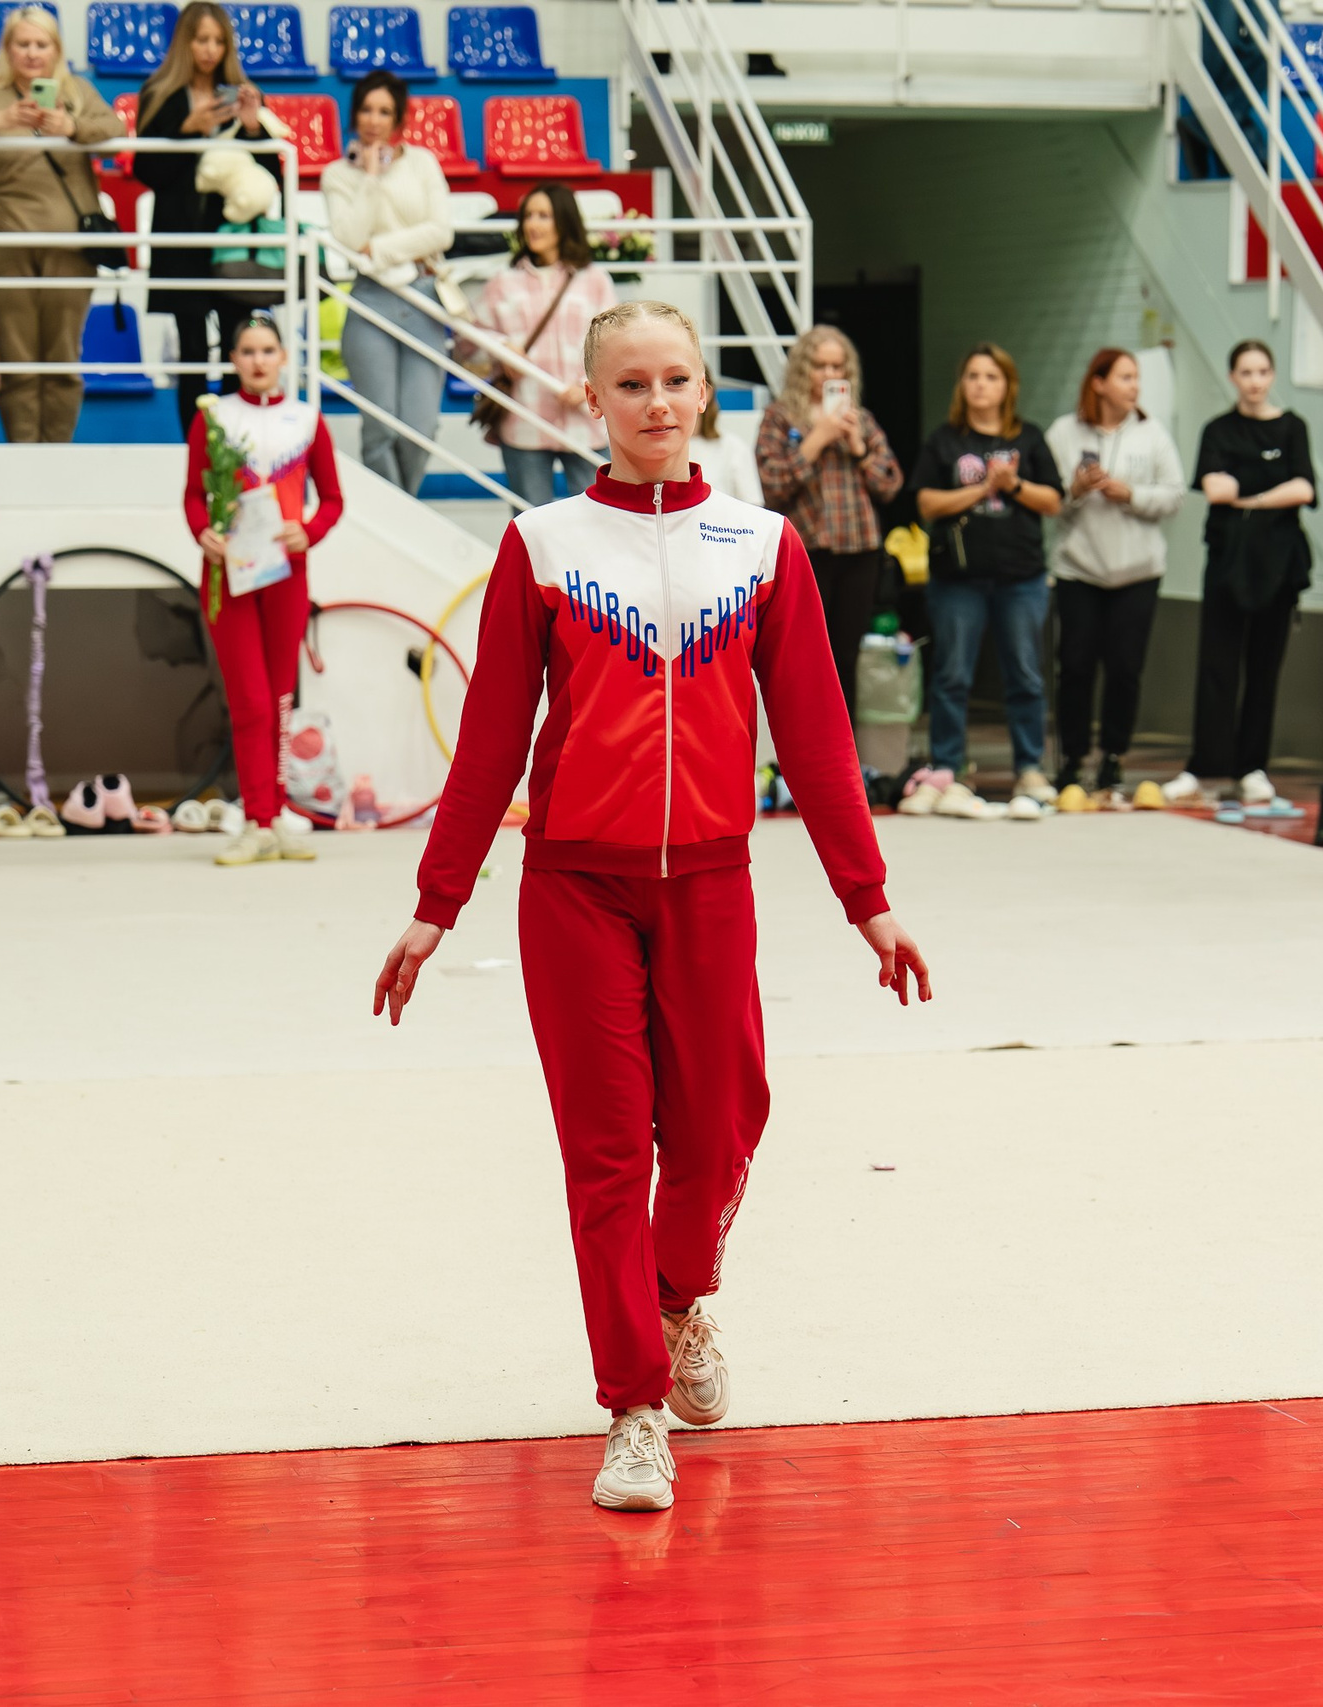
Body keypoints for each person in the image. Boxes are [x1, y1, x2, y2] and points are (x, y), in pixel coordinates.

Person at [370, 299, 929, 1515]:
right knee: (609, 1155)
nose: (658, 404)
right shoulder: (545, 545)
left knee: (725, 1124)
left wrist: (865, 899)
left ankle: (679, 1303)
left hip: (712, 883)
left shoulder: (763, 546)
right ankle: (632, 1408)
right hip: (573, 886)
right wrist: (436, 902)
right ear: (590, 401)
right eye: (631, 385)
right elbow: (488, 744)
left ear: (706, 395)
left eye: (677, 380)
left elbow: (819, 737)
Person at [184, 311, 343, 865]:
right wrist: (203, 532)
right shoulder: (213, 418)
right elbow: (192, 497)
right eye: (247, 351)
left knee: (278, 701)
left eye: (267, 351)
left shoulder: (307, 420)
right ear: (234, 360)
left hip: (285, 575)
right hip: (230, 576)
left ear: (283, 357)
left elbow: (333, 500)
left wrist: (310, 532)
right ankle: (256, 819)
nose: (257, 361)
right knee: (249, 700)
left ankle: (274, 819)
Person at [0, 5, 122, 444]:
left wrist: (71, 126)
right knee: (17, 360)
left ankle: (56, 459)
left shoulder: (77, 91)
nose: (33, 53)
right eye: (23, 44)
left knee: (61, 357)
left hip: (70, 246)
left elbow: (114, 128)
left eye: (42, 44)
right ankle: (23, 459)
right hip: (1, 241)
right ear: (8, 49)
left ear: (56, 49)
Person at [1162, 340, 1315, 809]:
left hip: (1278, 565)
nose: (1254, 381)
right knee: (1217, 665)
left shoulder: (1292, 428)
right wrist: (1271, 488)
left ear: (1272, 376)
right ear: (1233, 377)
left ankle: (1253, 767)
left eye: (1262, 371)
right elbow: (1214, 489)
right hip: (1228, 562)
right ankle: (1204, 765)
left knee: (1263, 669)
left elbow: (1304, 488)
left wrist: (1247, 495)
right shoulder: (1218, 430)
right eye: (1245, 372)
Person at [911, 342, 1062, 812]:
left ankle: (1030, 768)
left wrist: (1012, 485)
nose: (981, 385)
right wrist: (981, 490)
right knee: (952, 675)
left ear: (1007, 386)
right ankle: (946, 769)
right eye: (973, 376)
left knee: (1025, 673)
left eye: (991, 377)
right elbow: (926, 503)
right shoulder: (945, 441)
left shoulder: (1030, 438)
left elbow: (1053, 501)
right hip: (958, 579)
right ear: (963, 386)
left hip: (1022, 577)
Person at [1043, 347, 1184, 799]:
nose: (1134, 387)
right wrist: (1077, 490)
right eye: (1124, 377)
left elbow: (1175, 496)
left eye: (1136, 378)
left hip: (1137, 573)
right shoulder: (1064, 432)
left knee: (1125, 669)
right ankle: (1072, 759)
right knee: (1077, 668)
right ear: (1098, 383)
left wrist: (1131, 494)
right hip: (1078, 570)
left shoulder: (1153, 434)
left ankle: (1113, 757)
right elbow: (1048, 501)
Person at [753, 325, 903, 716]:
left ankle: (844, 760)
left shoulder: (862, 421)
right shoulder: (781, 417)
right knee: (804, 660)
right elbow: (771, 485)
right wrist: (815, 440)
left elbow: (890, 485)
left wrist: (856, 448)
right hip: (806, 553)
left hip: (860, 551)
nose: (830, 374)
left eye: (838, 366)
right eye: (820, 366)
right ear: (804, 369)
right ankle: (799, 763)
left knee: (846, 658)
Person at [132, 0, 270, 421]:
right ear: (184, 44)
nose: (210, 49)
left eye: (218, 41)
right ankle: (196, 452)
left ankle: (236, 442)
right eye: (201, 40)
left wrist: (252, 127)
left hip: (233, 241)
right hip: (181, 239)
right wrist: (184, 131)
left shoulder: (242, 94)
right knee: (191, 350)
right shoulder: (160, 94)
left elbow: (268, 179)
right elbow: (147, 171)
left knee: (238, 346)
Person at [322, 68, 452, 493]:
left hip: (423, 295)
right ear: (355, 114)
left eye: (384, 111)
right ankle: (395, 513)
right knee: (381, 429)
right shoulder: (338, 175)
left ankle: (404, 507)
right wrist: (372, 177)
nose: (373, 119)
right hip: (370, 300)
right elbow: (347, 238)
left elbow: (441, 232)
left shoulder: (422, 162)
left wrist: (378, 250)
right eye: (366, 109)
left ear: (399, 119)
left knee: (420, 428)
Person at [472, 180, 614, 504]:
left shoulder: (594, 280)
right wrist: (501, 348)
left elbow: (614, 345)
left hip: (585, 420)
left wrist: (589, 388)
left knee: (600, 520)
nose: (533, 224)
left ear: (564, 222)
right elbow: (471, 342)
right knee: (530, 525)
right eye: (529, 216)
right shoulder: (502, 282)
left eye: (544, 216)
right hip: (524, 419)